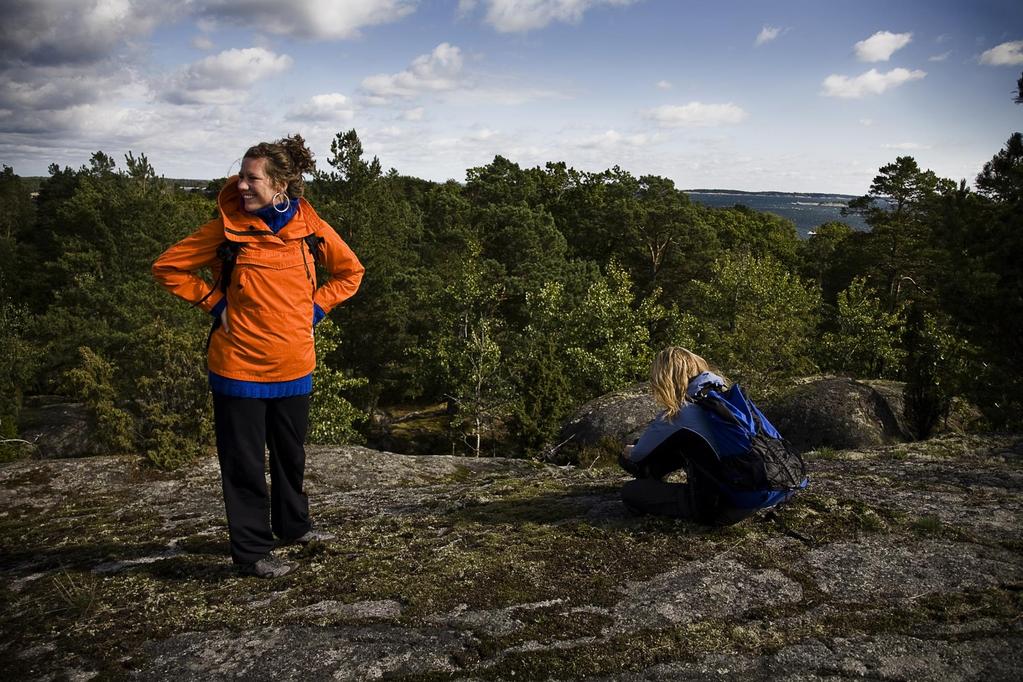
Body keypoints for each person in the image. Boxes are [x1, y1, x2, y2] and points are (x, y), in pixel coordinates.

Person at [153, 134, 364, 578]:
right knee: (245, 463)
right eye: (242, 176)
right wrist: (214, 302)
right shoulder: (225, 230)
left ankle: (294, 527)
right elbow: (168, 267)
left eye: (252, 179)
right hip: (238, 366)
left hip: (295, 365)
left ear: (280, 185)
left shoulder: (310, 228)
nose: (242, 186)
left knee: (290, 454)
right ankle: (250, 552)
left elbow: (350, 272)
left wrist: (317, 308)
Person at [619, 347, 757, 526]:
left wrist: (630, 450)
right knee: (685, 444)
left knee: (631, 491)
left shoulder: (680, 413)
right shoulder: (728, 400)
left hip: (718, 507)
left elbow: (637, 456)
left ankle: (672, 491)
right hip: (751, 497)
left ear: (666, 379)